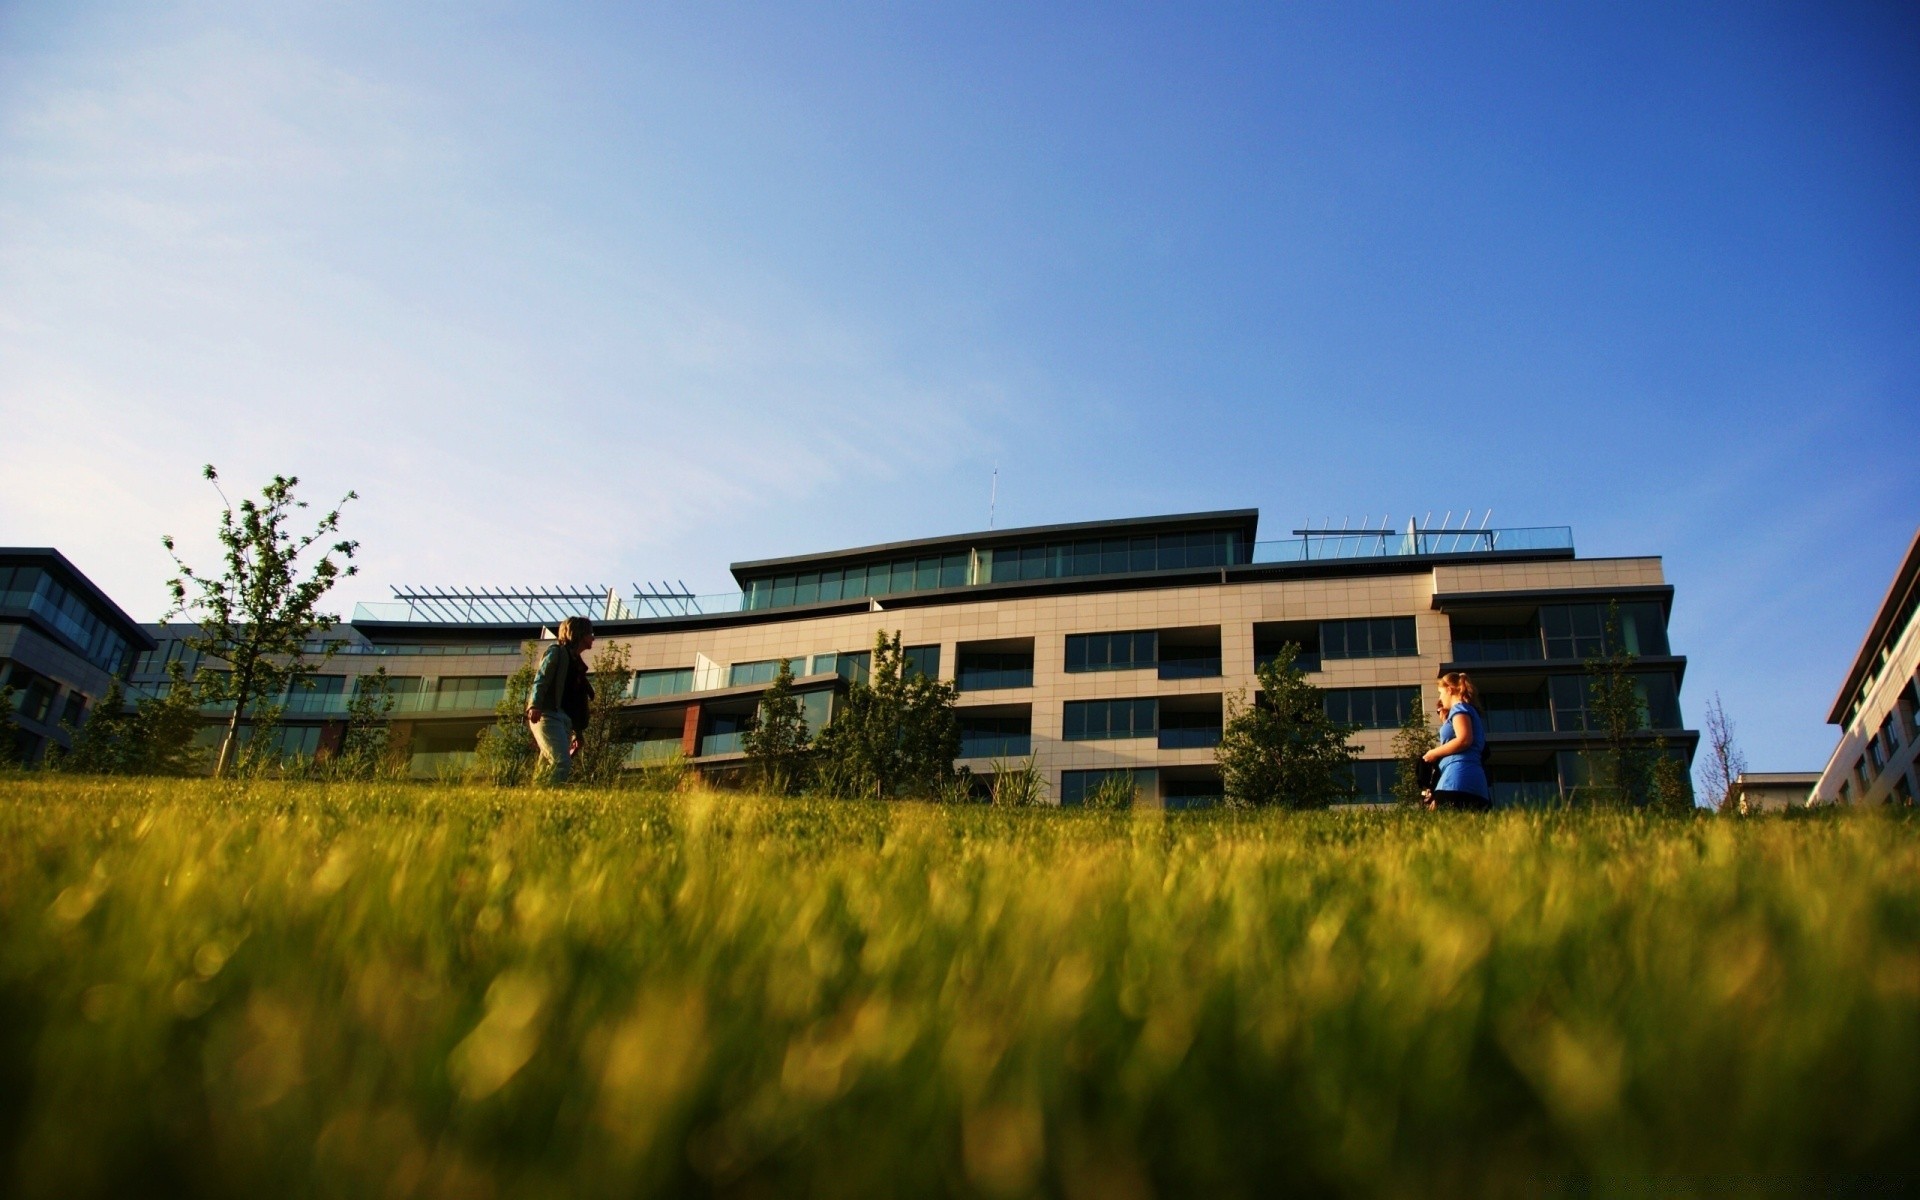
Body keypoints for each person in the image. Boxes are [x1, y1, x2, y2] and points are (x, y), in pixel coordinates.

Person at [526, 616, 595, 783]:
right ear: (579, 634)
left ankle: (533, 802)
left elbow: (576, 703)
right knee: (561, 762)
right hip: (548, 715)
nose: (593, 637)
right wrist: (534, 705)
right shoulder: (556, 652)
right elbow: (541, 679)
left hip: (564, 721)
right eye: (590, 633)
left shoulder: (578, 665)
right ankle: (549, 799)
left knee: (545, 768)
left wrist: (578, 733)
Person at [1421, 670, 1491, 811]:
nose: (1440, 698)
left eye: (1440, 693)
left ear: (1449, 690)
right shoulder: (1468, 711)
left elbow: (1464, 739)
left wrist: (1432, 753)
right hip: (1475, 782)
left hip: (1456, 780)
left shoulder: (1459, 708)